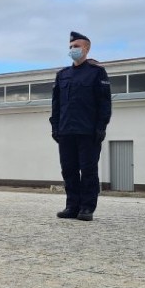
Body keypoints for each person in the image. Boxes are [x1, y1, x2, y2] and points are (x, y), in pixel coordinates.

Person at [51, 31, 112, 221]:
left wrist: (101, 126)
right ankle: (72, 206)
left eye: (76, 46)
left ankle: (87, 207)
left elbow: (104, 102)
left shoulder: (96, 72)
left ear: (86, 48)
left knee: (88, 170)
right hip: (66, 130)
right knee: (68, 170)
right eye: (70, 47)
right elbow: (56, 104)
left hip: (88, 131)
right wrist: (55, 127)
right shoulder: (63, 75)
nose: (72, 50)